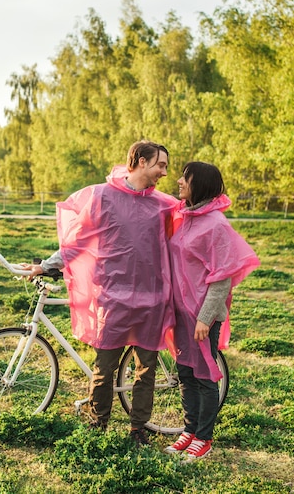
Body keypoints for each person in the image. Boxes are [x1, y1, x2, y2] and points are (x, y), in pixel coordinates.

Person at [24, 140, 178, 447]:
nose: (164, 172)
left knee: (146, 370)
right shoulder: (102, 197)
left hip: (152, 298)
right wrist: (46, 266)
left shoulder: (164, 205)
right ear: (141, 161)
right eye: (160, 164)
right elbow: (78, 241)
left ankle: (138, 429)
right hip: (113, 297)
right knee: (104, 367)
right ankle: (98, 424)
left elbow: (186, 243)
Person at [164, 162, 260, 462]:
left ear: (200, 184)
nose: (179, 181)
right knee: (185, 373)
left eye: (185, 178)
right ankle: (190, 429)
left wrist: (206, 318)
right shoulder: (187, 216)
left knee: (204, 377)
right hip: (182, 313)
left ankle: (204, 437)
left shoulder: (216, 225)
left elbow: (222, 277)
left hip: (202, 316)